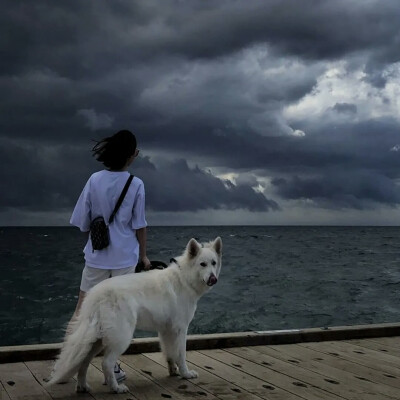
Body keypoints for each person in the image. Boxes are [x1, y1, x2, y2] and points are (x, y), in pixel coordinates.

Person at [69, 129, 151, 382]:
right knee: (118, 316)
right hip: (125, 259)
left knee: (82, 310)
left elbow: (82, 222)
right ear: (133, 155)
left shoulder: (94, 180)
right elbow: (139, 225)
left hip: (96, 257)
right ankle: (112, 369)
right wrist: (144, 257)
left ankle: (67, 365)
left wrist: (95, 243)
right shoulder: (136, 184)